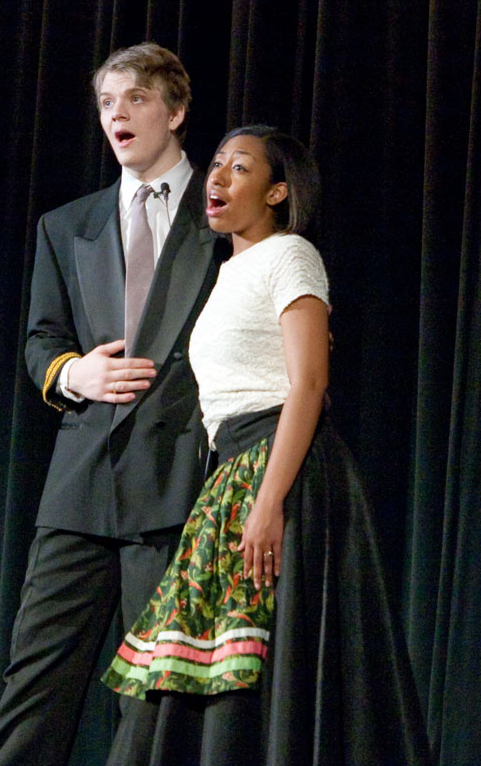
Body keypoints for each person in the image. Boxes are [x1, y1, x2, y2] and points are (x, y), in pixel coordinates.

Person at [102, 126, 432, 766]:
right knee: (205, 666)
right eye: (216, 164)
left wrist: (268, 501)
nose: (217, 178)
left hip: (283, 471)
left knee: (269, 660)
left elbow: (308, 384)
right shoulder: (227, 273)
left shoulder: (291, 255)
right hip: (233, 475)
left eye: (240, 168)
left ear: (277, 191)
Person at [0, 43, 226, 766]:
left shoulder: (220, 222)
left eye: (135, 100)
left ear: (175, 112)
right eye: (106, 103)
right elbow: (39, 340)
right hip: (81, 483)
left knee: (151, 698)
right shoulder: (68, 225)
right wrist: (71, 374)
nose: (116, 115)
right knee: (35, 686)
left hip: (178, 485)